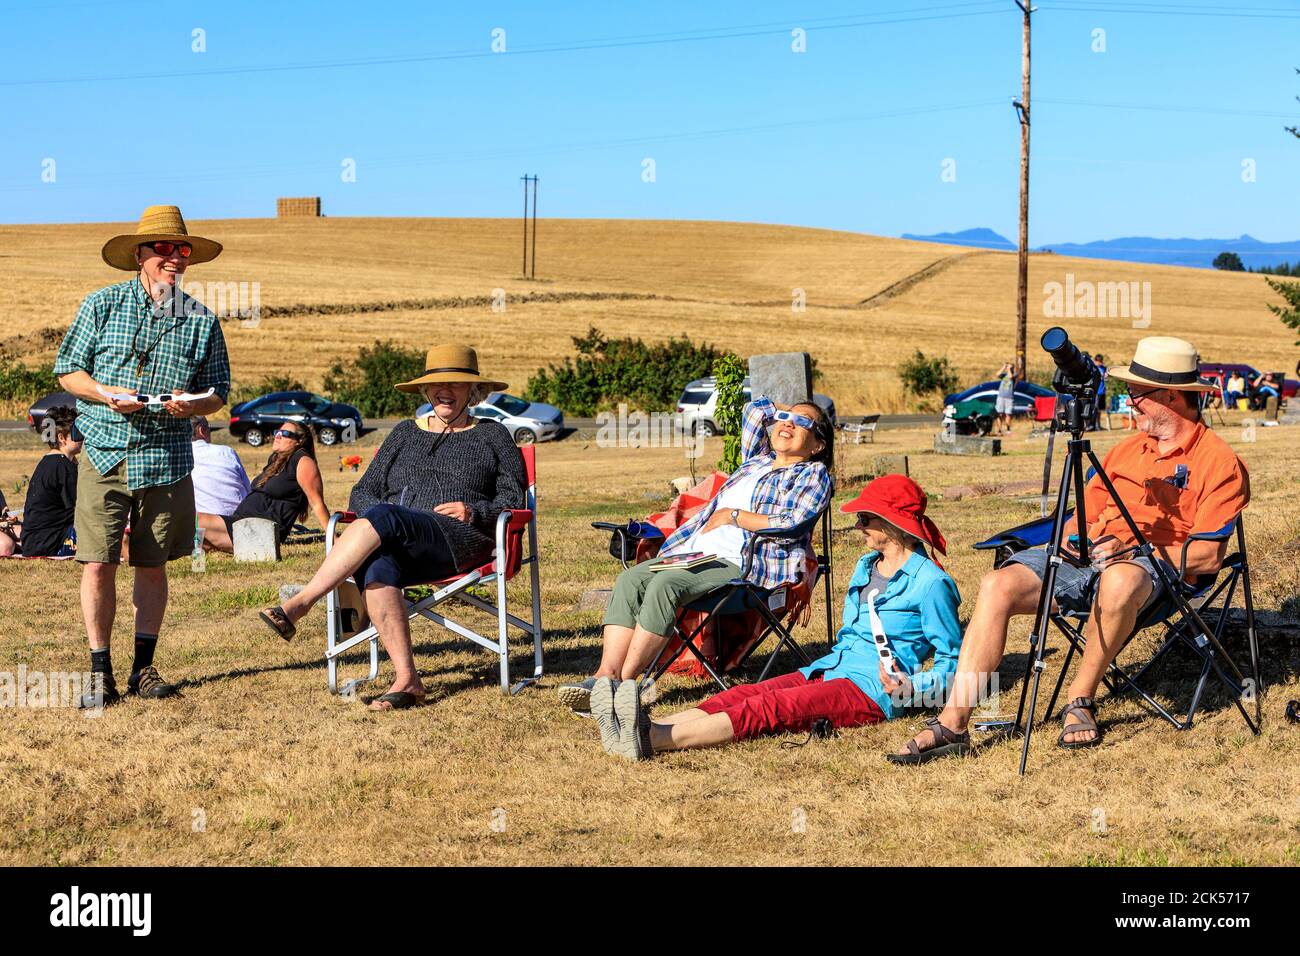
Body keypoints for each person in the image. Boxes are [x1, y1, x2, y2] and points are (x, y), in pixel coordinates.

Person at [888, 335, 1248, 762]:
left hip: (1154, 574)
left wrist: (1136, 553)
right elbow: (1081, 517)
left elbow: (1207, 556)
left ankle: (1080, 700)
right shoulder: (1125, 451)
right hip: (1091, 559)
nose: (1128, 402)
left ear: (1172, 395)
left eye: (1136, 393)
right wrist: (1077, 541)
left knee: (1118, 579)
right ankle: (953, 723)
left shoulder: (1218, 461)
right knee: (997, 584)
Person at [589, 475, 962, 760]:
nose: (858, 525)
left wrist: (911, 689)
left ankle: (653, 738)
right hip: (831, 667)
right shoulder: (867, 565)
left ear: (892, 524)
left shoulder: (930, 584)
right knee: (746, 693)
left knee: (771, 710)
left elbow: (955, 666)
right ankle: (638, 726)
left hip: (871, 690)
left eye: (865, 518)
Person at [255, 345, 527, 711]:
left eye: (455, 384)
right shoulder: (403, 433)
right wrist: (380, 521)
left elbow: (515, 500)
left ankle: (301, 603)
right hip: (400, 537)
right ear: (425, 391)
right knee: (378, 561)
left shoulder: (492, 436)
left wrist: (474, 511)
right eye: (436, 385)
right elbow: (363, 491)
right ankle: (407, 680)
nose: (444, 391)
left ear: (473, 391)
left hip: (460, 540)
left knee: (386, 516)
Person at [53, 205, 230, 708]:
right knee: (98, 564)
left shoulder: (202, 321)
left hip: (168, 458)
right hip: (106, 453)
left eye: (182, 250)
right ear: (139, 255)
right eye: (163, 249)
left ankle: (143, 669)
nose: (174, 258)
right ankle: (99, 671)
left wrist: (193, 403)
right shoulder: (101, 305)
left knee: (153, 565)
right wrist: (108, 394)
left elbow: (219, 392)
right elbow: (68, 371)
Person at [557, 395, 835, 713]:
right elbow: (755, 412)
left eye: (802, 422)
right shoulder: (756, 462)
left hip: (742, 566)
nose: (788, 423)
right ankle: (604, 677)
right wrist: (786, 412)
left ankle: (626, 684)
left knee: (666, 586)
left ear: (817, 445)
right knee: (630, 580)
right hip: (695, 553)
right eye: (785, 417)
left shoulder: (813, 475)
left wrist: (733, 516)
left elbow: (790, 521)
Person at [195, 419, 328, 552]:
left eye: (285, 433)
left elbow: (317, 503)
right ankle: (200, 558)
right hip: (242, 523)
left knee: (194, 520)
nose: (278, 435)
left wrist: (332, 537)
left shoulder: (303, 461)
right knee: (195, 538)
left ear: (299, 440)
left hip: (261, 530)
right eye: (278, 432)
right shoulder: (276, 460)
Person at [15, 406, 82, 557]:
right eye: (77, 434)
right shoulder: (62, 467)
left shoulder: (49, 462)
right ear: (61, 438)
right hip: (51, 542)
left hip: (34, 541)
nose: (83, 438)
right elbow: (79, 508)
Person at [190, 415, 251, 517]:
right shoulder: (226, 452)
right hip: (239, 518)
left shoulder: (181, 459)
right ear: (201, 431)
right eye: (209, 428)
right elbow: (247, 488)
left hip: (203, 522)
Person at [994, 361, 1016, 435]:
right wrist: (1003, 367)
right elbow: (997, 374)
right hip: (1001, 397)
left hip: (1009, 398)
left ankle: (1008, 429)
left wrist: (1009, 369)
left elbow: (1010, 377)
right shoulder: (1004, 375)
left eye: (1010, 367)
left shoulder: (1014, 375)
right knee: (999, 413)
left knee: (1008, 414)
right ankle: (999, 430)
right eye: (1008, 367)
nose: (1008, 368)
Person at [1092, 354, 1108, 429]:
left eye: (1100, 361)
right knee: (1095, 409)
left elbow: (1106, 378)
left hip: (1102, 391)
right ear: (1095, 361)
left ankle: (1098, 425)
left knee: (1100, 410)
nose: (1100, 363)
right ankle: (1094, 425)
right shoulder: (1093, 368)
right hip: (1096, 392)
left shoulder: (1104, 368)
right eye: (1098, 361)